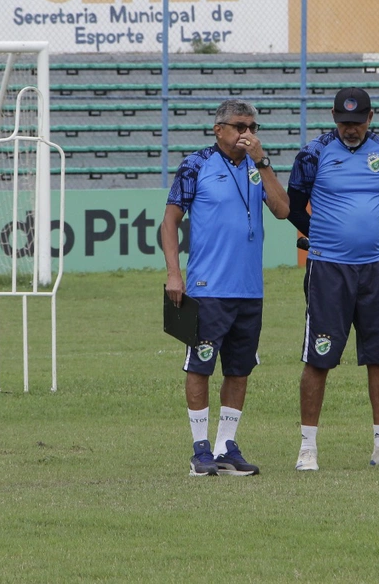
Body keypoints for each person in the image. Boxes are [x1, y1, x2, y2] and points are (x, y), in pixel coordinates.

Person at [286, 87, 379, 471]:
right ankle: (307, 448)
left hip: (375, 268)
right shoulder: (313, 154)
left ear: (370, 119)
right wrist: (321, 233)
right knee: (319, 359)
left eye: (357, 123)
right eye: (343, 122)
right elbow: (293, 205)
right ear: (333, 118)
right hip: (328, 269)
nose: (350, 130)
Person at [161, 99, 289, 476]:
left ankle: (225, 447)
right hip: (206, 286)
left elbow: (283, 210)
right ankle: (200, 450)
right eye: (239, 126)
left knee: (239, 369)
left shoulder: (257, 165)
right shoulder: (195, 165)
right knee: (200, 366)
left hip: (249, 289)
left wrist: (263, 163)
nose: (247, 134)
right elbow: (169, 222)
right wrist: (174, 273)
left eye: (252, 127)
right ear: (219, 130)